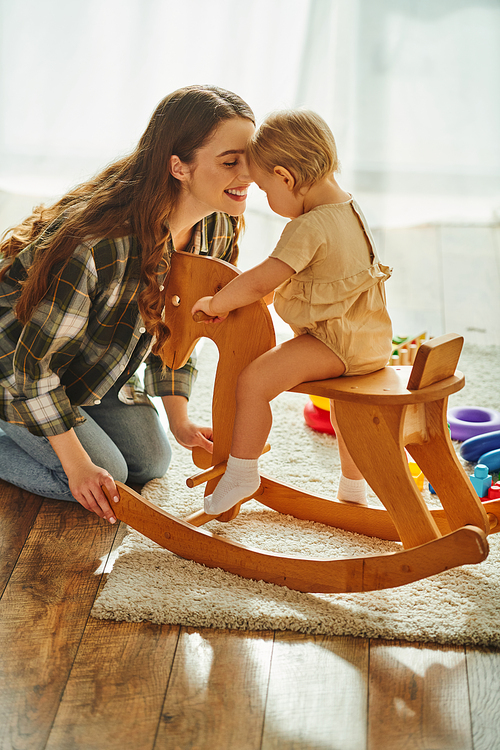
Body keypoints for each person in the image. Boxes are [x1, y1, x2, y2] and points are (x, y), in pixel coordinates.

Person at [0, 84, 255, 524]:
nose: (248, 174)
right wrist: (77, 467)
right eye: (231, 162)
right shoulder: (100, 243)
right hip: (17, 370)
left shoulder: (218, 228)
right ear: (179, 166)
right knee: (106, 479)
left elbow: (180, 329)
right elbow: (32, 368)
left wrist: (180, 419)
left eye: (251, 158)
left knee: (152, 461)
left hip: (84, 371)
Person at [192, 109, 393, 515]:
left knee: (253, 382)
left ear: (285, 178)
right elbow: (319, 279)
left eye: (265, 189)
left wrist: (216, 303)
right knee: (345, 410)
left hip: (336, 343)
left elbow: (261, 280)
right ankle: (353, 490)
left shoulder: (308, 226)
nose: (267, 199)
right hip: (370, 340)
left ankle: (242, 473)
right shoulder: (349, 209)